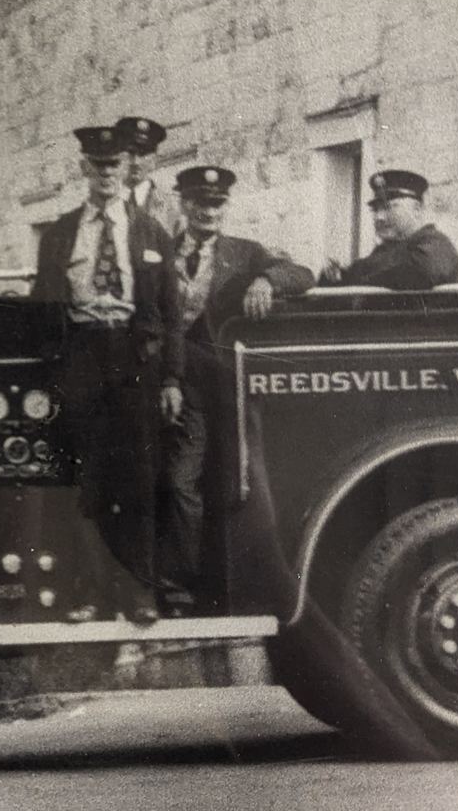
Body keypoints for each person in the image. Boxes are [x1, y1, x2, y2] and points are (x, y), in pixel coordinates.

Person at [31, 124, 181, 623]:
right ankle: (90, 593)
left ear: (126, 168)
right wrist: (55, 367)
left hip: (136, 358)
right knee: (86, 480)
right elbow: (44, 306)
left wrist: (172, 380)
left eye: (114, 165)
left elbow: (172, 313)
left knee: (138, 479)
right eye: (97, 165)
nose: (106, 174)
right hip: (83, 356)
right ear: (83, 169)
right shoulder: (60, 233)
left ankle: (139, 595)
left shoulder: (152, 232)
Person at [157, 166, 313, 611]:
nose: (209, 212)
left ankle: (226, 592)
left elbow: (301, 273)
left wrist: (267, 281)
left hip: (226, 390)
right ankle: (178, 590)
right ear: (183, 204)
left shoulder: (244, 254)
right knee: (178, 480)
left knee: (235, 487)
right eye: (199, 203)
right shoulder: (158, 252)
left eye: (217, 204)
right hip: (175, 386)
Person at [320, 170, 458, 289]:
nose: (379, 217)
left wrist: (357, 275)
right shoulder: (383, 251)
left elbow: (424, 271)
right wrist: (335, 277)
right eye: (375, 209)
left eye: (389, 207)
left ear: (416, 208)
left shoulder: (436, 244)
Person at [114, 115, 176, 233]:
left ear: (154, 160)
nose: (136, 162)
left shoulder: (171, 206)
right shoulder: (107, 204)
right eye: (130, 153)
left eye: (143, 154)